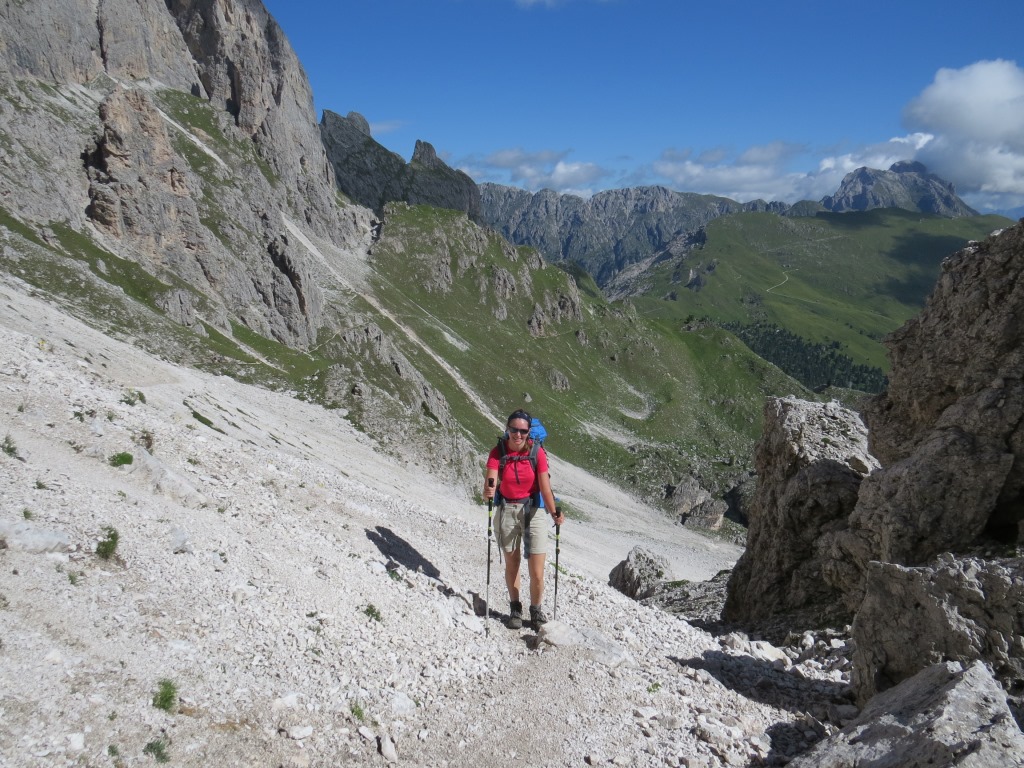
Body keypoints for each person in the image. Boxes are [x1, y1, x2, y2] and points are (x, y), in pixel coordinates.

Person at [483, 409, 564, 630]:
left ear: (529, 432)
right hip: (506, 510)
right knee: (513, 564)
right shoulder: (497, 453)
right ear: (507, 429)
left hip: (533, 512)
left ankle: (536, 610)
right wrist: (488, 492)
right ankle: (515, 608)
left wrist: (554, 512)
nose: (518, 434)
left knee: (537, 571)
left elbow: (545, 489)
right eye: (514, 429)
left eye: (523, 431)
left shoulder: (537, 453)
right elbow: (489, 486)